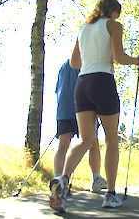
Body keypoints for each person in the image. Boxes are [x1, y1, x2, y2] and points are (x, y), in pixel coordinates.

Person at [49, 0, 139, 213]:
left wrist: (91, 59)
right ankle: (110, 195)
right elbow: (119, 57)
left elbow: (75, 62)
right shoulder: (114, 26)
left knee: (85, 140)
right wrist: (138, 60)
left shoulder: (83, 29)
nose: (117, 17)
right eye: (117, 13)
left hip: (83, 84)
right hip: (102, 80)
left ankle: (62, 180)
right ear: (113, 11)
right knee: (111, 139)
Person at [54, 59, 107, 193]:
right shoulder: (89, 63)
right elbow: (91, 88)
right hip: (84, 109)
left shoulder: (64, 66)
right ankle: (96, 179)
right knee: (93, 143)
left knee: (63, 145)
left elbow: (57, 89)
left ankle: (58, 181)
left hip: (64, 108)